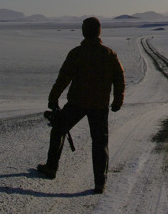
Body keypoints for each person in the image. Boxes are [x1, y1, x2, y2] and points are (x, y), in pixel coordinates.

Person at [37, 16, 125, 193]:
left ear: (84, 32)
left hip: (77, 102)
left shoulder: (77, 53)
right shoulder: (108, 54)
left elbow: (63, 78)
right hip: (99, 105)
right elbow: (119, 79)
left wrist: (53, 98)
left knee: (58, 129)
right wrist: (117, 100)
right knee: (100, 143)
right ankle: (100, 183)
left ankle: (51, 167)